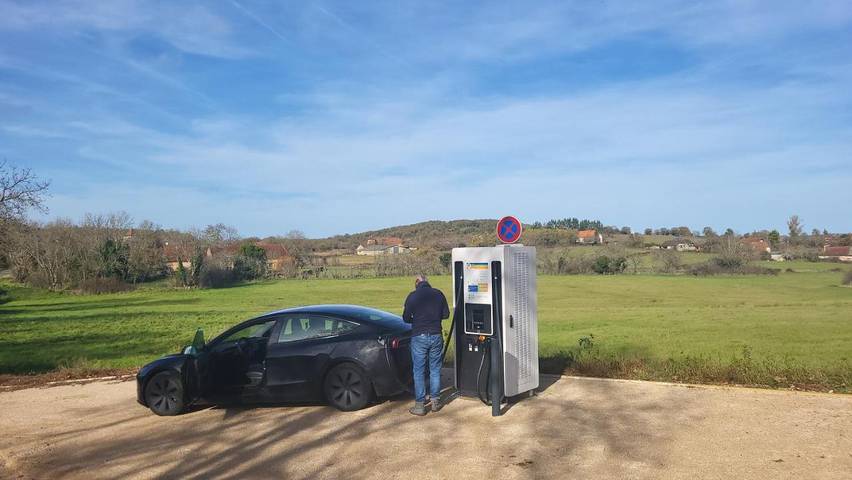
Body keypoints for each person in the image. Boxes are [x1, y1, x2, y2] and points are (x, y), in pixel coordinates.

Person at [402, 274, 450, 416]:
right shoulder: (438, 294)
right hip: (436, 335)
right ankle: (435, 401)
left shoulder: (412, 296)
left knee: (419, 371)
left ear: (417, 283)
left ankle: (420, 405)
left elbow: (405, 318)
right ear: (427, 282)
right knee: (435, 369)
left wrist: (417, 319)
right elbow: (446, 315)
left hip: (419, 336)